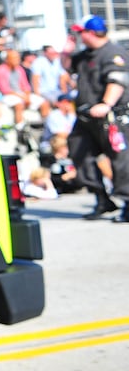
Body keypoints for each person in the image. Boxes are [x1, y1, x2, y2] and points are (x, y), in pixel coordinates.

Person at [64, 16, 129, 221]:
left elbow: (117, 80)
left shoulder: (113, 52)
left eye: (80, 32)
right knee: (79, 152)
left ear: (90, 32)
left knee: (121, 160)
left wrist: (106, 104)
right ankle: (102, 199)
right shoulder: (83, 56)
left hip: (111, 116)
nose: (78, 36)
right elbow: (66, 67)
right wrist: (67, 50)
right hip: (85, 117)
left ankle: (128, 202)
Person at [0, 49, 44, 129]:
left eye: (18, 58)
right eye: (15, 58)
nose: (17, 60)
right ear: (8, 59)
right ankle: (20, 128)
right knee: (19, 105)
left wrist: (27, 95)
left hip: (21, 94)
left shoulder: (19, 69)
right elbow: (5, 90)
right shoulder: (1, 70)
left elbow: (26, 85)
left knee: (43, 103)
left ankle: (42, 126)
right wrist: (22, 97)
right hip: (8, 95)